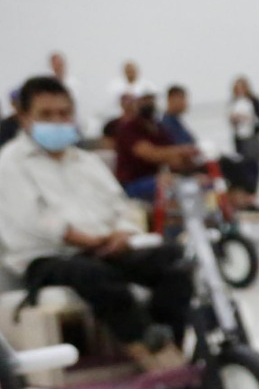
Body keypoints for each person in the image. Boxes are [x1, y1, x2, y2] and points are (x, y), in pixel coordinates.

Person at [0, 77, 192, 372]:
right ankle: (148, 351)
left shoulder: (86, 161)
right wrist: (88, 240)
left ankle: (167, 344)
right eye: (46, 115)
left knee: (174, 261)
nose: (57, 122)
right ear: (24, 118)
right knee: (94, 273)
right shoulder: (10, 163)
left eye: (64, 113)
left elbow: (122, 206)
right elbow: (33, 221)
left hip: (104, 248)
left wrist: (123, 233)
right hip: (47, 258)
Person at [161, 84, 258, 209]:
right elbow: (177, 150)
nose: (186, 103)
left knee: (240, 162)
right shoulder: (168, 123)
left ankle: (240, 199)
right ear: (172, 99)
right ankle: (240, 200)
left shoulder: (176, 122)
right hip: (187, 165)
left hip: (194, 160)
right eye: (183, 99)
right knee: (232, 165)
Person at [113, 89, 198, 202]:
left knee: (194, 183)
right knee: (169, 185)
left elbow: (173, 157)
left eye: (150, 100)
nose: (148, 104)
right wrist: (182, 151)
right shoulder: (128, 129)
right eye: (144, 100)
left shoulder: (158, 128)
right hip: (133, 184)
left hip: (156, 178)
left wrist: (190, 165)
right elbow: (151, 154)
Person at [227, 76, 259, 163]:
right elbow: (231, 120)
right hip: (239, 136)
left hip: (252, 135)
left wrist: (246, 117)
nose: (240, 90)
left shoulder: (254, 101)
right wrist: (234, 119)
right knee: (241, 160)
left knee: (253, 160)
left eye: (242, 88)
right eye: (237, 88)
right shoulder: (234, 102)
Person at [103, 60, 152, 130]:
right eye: (128, 70)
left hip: (141, 120)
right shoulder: (115, 86)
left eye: (132, 70)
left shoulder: (147, 86)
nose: (130, 72)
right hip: (120, 119)